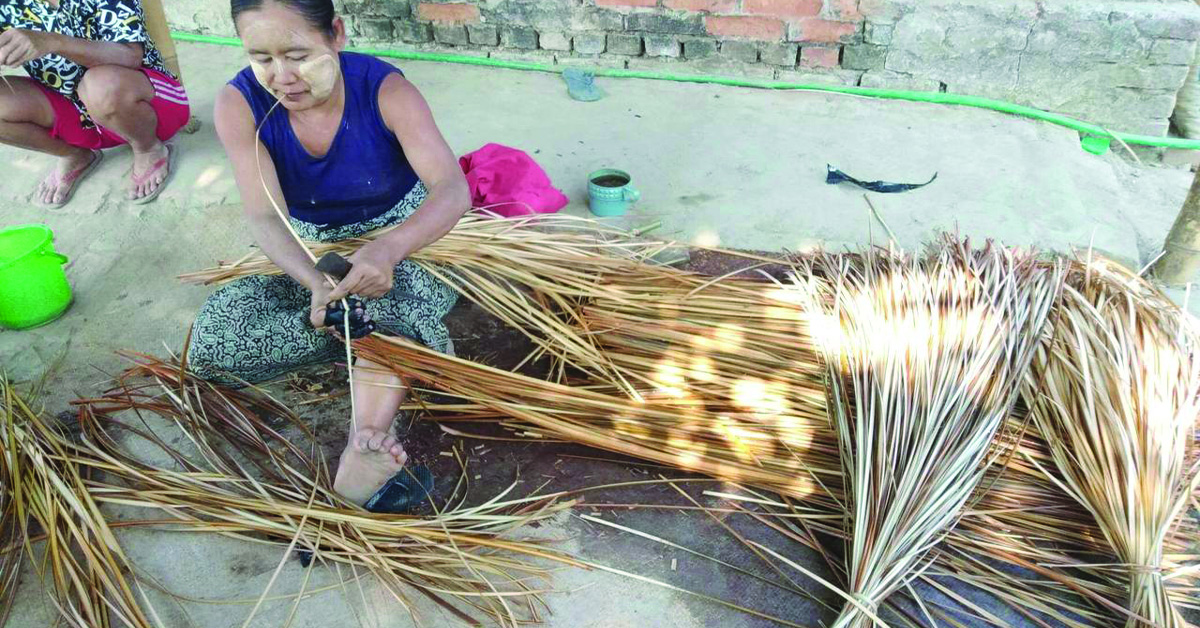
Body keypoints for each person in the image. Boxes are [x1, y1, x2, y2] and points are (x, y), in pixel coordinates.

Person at [187, 0, 470, 510]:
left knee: (396, 304)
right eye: (262, 57)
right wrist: (316, 283)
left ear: (335, 34)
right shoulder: (239, 104)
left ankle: (365, 445)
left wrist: (388, 250)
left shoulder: (385, 91)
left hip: (401, 238)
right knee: (216, 337)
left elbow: (452, 191)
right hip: (310, 249)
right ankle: (352, 329)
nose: (282, 76)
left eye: (298, 54)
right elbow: (267, 218)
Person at [0, 0, 189, 206]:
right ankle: (74, 154)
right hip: (77, 113)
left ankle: (148, 148)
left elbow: (129, 55)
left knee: (100, 84)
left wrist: (52, 41)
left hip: (144, 106)